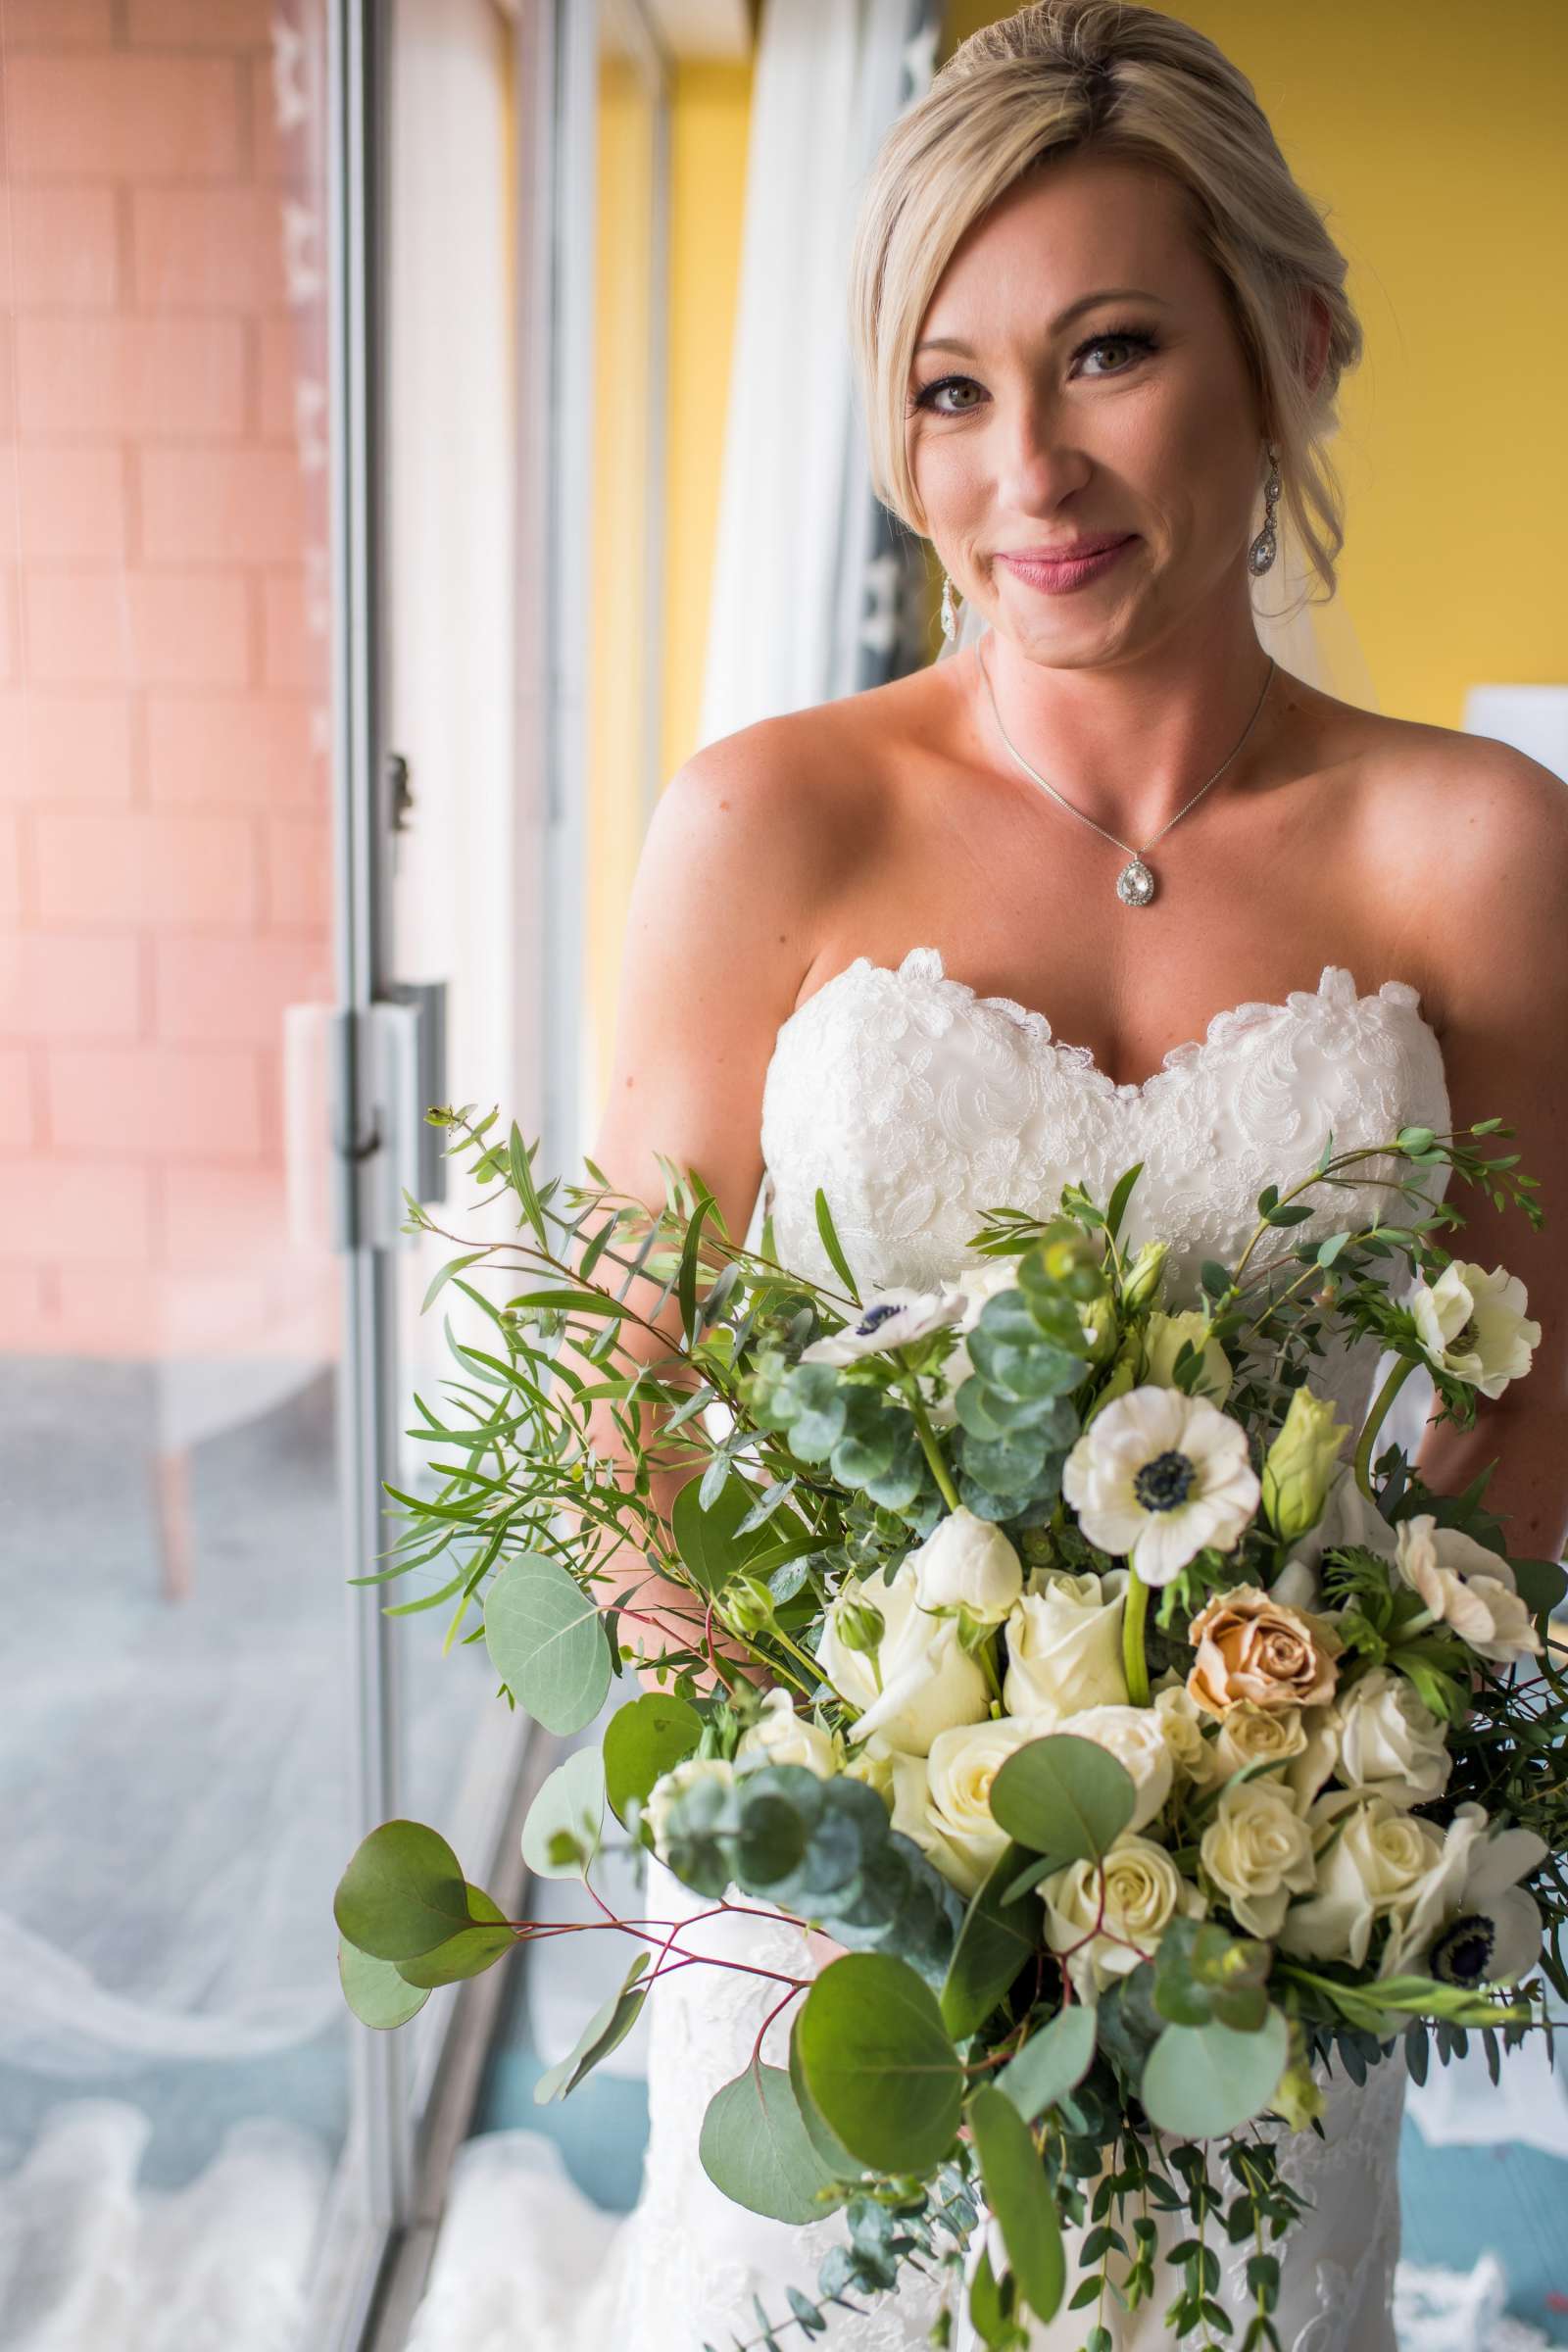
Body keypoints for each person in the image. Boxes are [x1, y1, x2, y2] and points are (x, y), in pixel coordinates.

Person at [409, 6, 1568, 2346]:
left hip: (1266, 1921)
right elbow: (612, 1404)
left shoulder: (1474, 849)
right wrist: (870, 1817)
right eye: (947, 389)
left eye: (1106, 352)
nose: (1023, 469)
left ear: (1291, 349)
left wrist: (1299, 1802)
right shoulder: (766, 824)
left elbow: (1533, 1406)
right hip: (836, 1942)